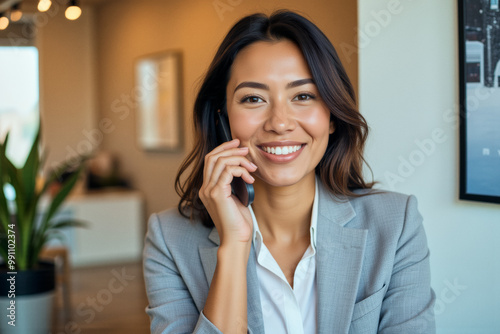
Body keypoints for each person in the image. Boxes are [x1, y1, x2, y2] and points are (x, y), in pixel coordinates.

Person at [143, 9, 436, 334]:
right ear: (222, 118)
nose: (280, 123)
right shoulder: (168, 239)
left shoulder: (396, 224)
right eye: (253, 98)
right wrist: (234, 248)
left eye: (303, 96)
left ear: (332, 115)